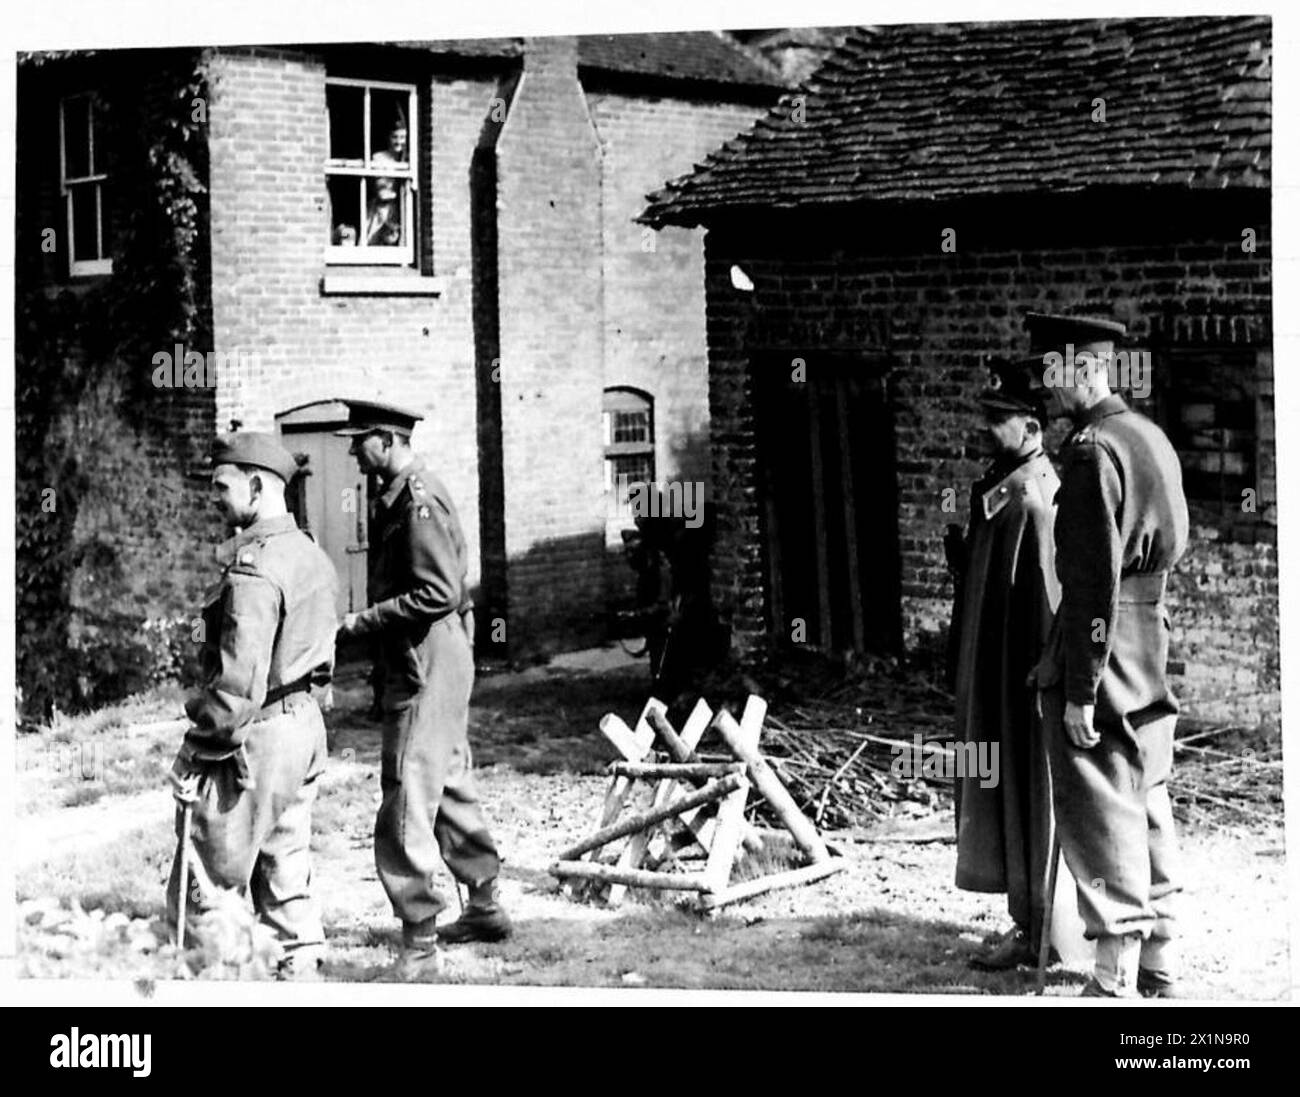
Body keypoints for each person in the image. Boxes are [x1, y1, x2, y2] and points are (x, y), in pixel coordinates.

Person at [1028, 312, 1190, 998]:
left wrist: (1080, 689)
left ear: (1082, 369)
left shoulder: (1093, 450)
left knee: (1099, 799)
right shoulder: (1149, 435)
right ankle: (1159, 960)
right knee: (1145, 790)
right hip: (1147, 633)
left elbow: (1091, 581)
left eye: (1050, 371)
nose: (1044, 385)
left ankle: (1111, 975)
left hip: (1103, 640)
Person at [334, 400, 511, 962]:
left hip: (427, 655)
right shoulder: (402, 494)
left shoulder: (417, 502)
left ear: (386, 439)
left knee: (408, 786)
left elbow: (436, 592)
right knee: (449, 779)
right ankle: (483, 907)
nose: (352, 452)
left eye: (358, 441)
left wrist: (361, 622)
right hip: (435, 651)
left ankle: (419, 941)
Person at [166, 431, 338, 978]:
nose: (213, 497)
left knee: (208, 880)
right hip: (305, 727)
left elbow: (238, 685)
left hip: (257, 738)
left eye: (222, 486)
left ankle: (209, 980)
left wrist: (196, 751)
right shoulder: (311, 554)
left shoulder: (254, 571)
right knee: (287, 873)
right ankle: (300, 975)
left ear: (257, 486)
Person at [947, 356, 1061, 970]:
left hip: (1018, 678)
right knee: (998, 784)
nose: (987, 430)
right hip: (992, 669)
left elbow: (1046, 595)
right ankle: (1027, 916)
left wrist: (1042, 674)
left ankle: (1037, 922)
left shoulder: (1033, 495)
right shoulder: (1004, 484)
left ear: (1033, 427)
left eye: (1001, 420)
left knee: (1025, 790)